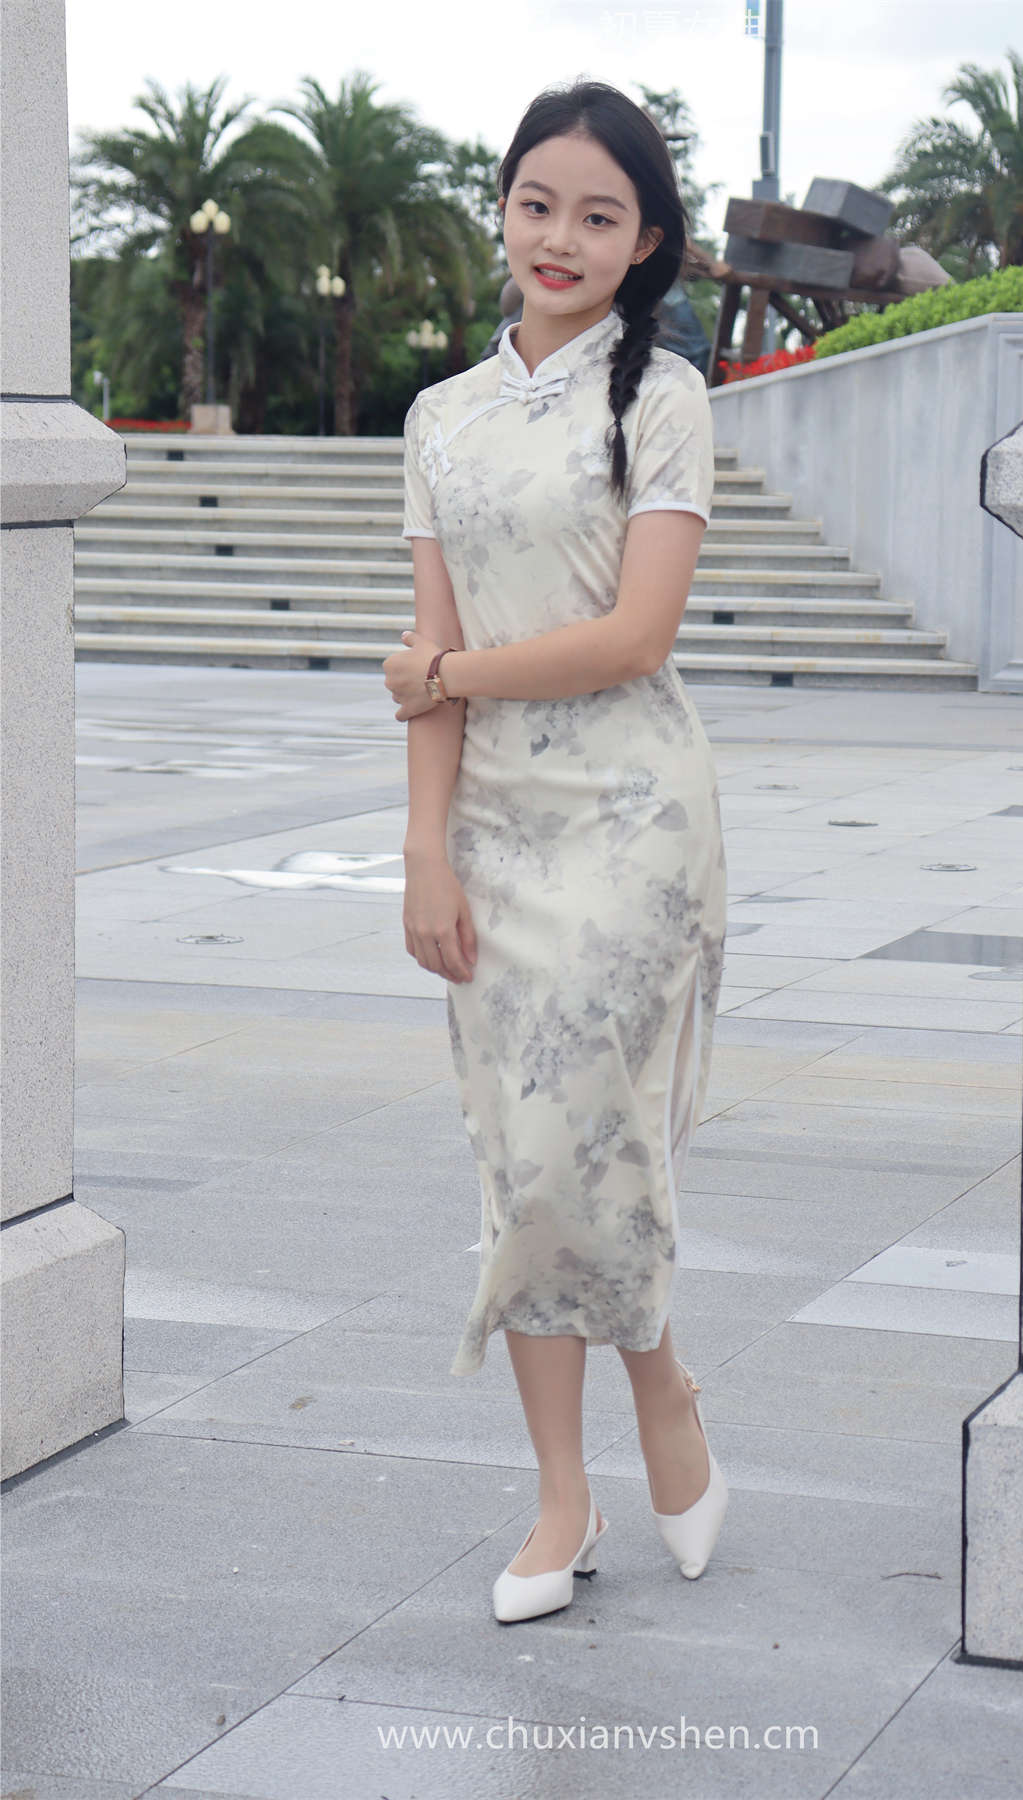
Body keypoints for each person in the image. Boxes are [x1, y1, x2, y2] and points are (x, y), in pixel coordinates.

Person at [382, 79, 729, 1625]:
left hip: (635, 820)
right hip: (494, 830)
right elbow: (430, 658)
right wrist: (423, 852)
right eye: (538, 204)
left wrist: (445, 675)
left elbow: (635, 635)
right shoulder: (441, 420)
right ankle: (568, 1491)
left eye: (599, 215)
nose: (561, 237)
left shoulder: (664, 400)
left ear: (645, 241)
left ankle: (658, 1392)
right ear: (504, 210)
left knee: (586, 1122)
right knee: (524, 1152)